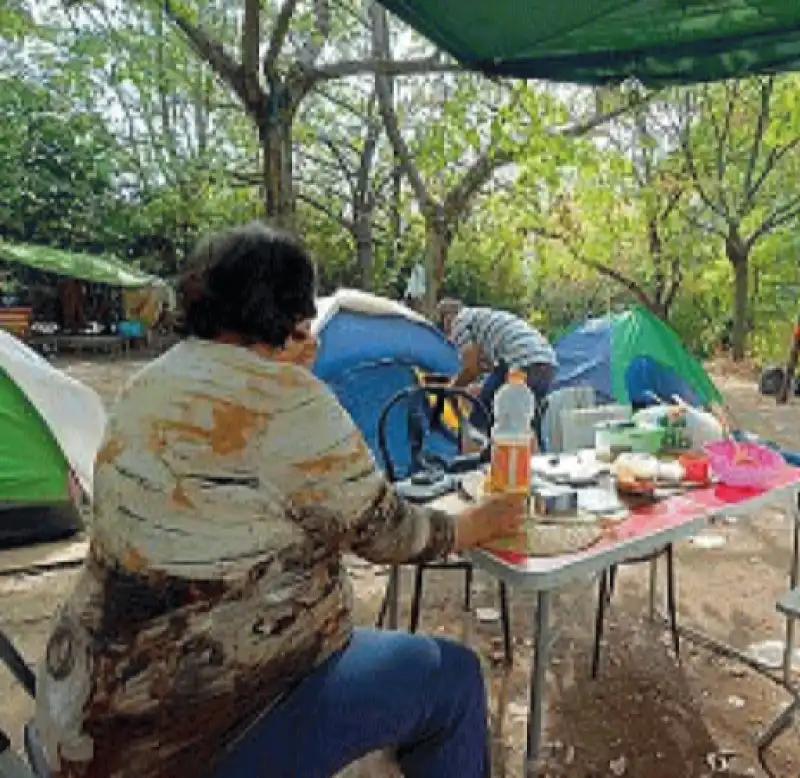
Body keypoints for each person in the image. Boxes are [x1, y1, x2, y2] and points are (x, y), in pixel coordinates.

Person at [35, 223, 525, 778]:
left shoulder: (149, 381)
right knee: (452, 678)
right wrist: (477, 523)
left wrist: (285, 374)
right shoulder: (290, 401)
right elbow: (390, 534)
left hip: (84, 709)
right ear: (291, 310)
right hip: (191, 733)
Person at [439, 299, 558, 442]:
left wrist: (450, 390)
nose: (449, 337)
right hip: (547, 362)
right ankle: (531, 459)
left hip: (522, 362)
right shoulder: (483, 318)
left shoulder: (459, 322)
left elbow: (471, 369)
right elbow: (486, 368)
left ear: (447, 318)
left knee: (481, 420)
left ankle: (475, 458)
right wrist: (480, 386)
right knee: (524, 426)